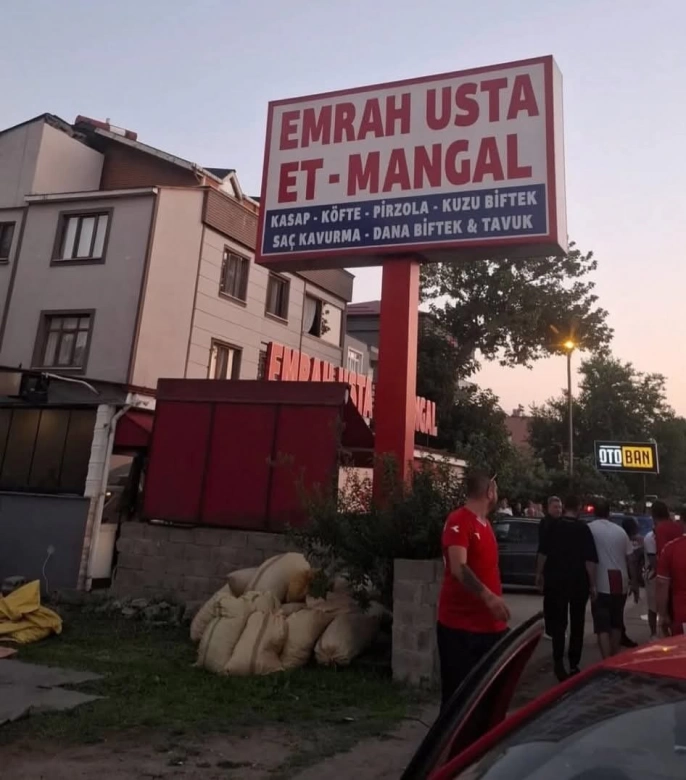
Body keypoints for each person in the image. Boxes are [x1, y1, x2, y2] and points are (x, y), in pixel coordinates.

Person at [437, 470, 511, 709]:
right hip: (462, 629)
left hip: (490, 627)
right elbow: (459, 568)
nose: (497, 494)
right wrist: (489, 597)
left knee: (488, 698)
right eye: (496, 489)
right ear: (489, 492)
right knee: (459, 699)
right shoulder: (459, 520)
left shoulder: (486, 524)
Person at [537, 495, 598, 681]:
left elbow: (543, 552)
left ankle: (558, 661)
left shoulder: (553, 526)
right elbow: (590, 560)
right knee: (577, 622)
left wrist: (539, 574)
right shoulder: (583, 529)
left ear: (564, 508)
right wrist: (593, 584)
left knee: (559, 622)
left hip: (556, 580)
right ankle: (573, 663)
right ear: (578, 508)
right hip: (578, 582)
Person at [588, 499, 639, 658]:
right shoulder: (620, 532)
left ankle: (606, 659)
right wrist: (634, 582)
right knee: (616, 621)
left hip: (600, 580)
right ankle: (614, 656)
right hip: (620, 579)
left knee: (602, 625)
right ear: (609, 513)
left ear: (595, 512)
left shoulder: (589, 529)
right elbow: (631, 559)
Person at [537, 496, 563, 639]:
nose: (558, 510)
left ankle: (559, 628)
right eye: (555, 507)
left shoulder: (562, 523)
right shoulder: (545, 523)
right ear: (548, 508)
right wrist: (539, 572)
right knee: (550, 600)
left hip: (562, 568)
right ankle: (549, 629)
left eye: (560, 507)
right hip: (550, 568)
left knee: (560, 601)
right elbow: (543, 549)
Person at [656, 511, 686, 637]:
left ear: (682, 523)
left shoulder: (671, 548)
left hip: (682, 614)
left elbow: (662, 583)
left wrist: (662, 614)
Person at [644, 522, 658, 638]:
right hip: (653, 575)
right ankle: (653, 634)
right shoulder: (650, 537)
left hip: (666, 574)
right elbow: (653, 562)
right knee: (653, 607)